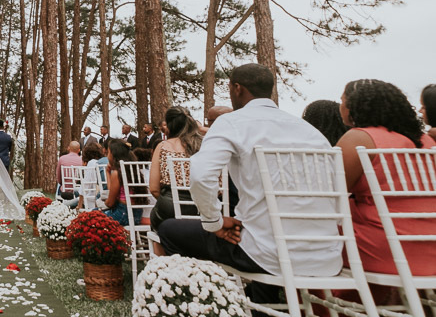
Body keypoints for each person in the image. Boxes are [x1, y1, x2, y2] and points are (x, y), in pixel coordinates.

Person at [158, 64, 342, 308]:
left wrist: (214, 222)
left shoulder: (232, 123)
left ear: (237, 88)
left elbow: (200, 175)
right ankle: (262, 309)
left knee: (170, 229)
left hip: (266, 253)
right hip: (326, 256)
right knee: (257, 235)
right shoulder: (310, 132)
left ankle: (190, 307)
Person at [336, 79, 435, 276]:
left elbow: (331, 196)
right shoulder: (426, 140)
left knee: (309, 244)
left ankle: (327, 306)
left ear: (354, 106)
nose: (340, 106)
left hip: (386, 247)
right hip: (432, 245)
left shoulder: (359, 138)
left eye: (342, 100)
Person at [149, 106, 204, 230]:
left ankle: (164, 248)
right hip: (205, 207)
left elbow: (154, 189)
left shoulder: (163, 146)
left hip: (171, 207)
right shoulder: (206, 144)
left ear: (168, 125)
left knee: (159, 226)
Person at [98, 140, 136, 226]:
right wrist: (108, 173)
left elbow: (110, 203)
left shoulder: (117, 173)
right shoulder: (132, 170)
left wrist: (103, 204)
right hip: (136, 214)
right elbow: (112, 191)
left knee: (91, 215)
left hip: (121, 214)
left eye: (108, 153)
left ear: (113, 155)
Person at [76, 142, 107, 211]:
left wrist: (79, 206)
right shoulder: (103, 161)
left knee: (73, 195)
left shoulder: (92, 163)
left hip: (92, 200)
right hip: (101, 196)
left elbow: (85, 186)